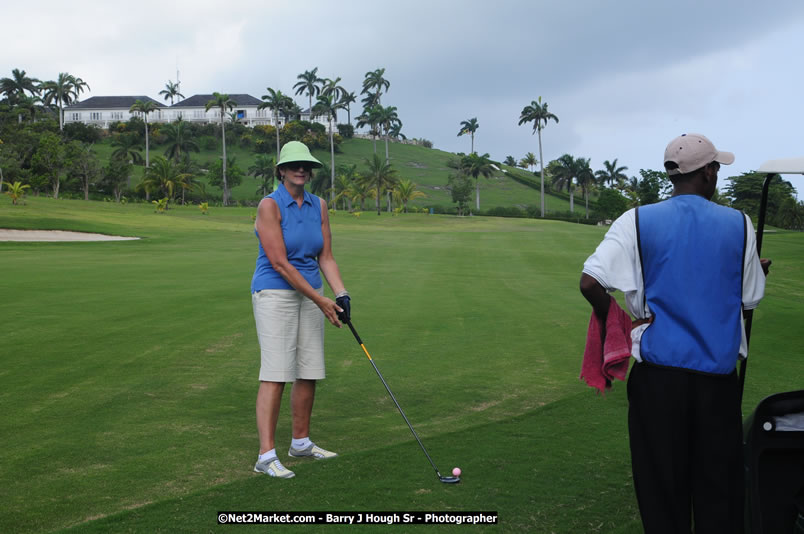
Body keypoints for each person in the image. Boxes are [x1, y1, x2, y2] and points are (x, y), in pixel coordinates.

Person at [579, 133, 770, 533]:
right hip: (716, 385)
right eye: (716, 168)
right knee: (719, 495)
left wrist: (614, 322)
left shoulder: (636, 219)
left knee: (662, 494)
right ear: (708, 172)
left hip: (657, 384)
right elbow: (750, 298)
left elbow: (591, 282)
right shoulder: (739, 224)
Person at [251, 141, 351, 479]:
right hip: (275, 292)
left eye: (306, 165)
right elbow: (279, 262)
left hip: (313, 293)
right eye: (294, 165)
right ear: (281, 170)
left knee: (309, 370)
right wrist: (320, 300)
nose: (301, 170)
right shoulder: (270, 205)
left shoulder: (318, 205)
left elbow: (325, 256)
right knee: (276, 372)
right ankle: (265, 456)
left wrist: (341, 293)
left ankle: (301, 443)